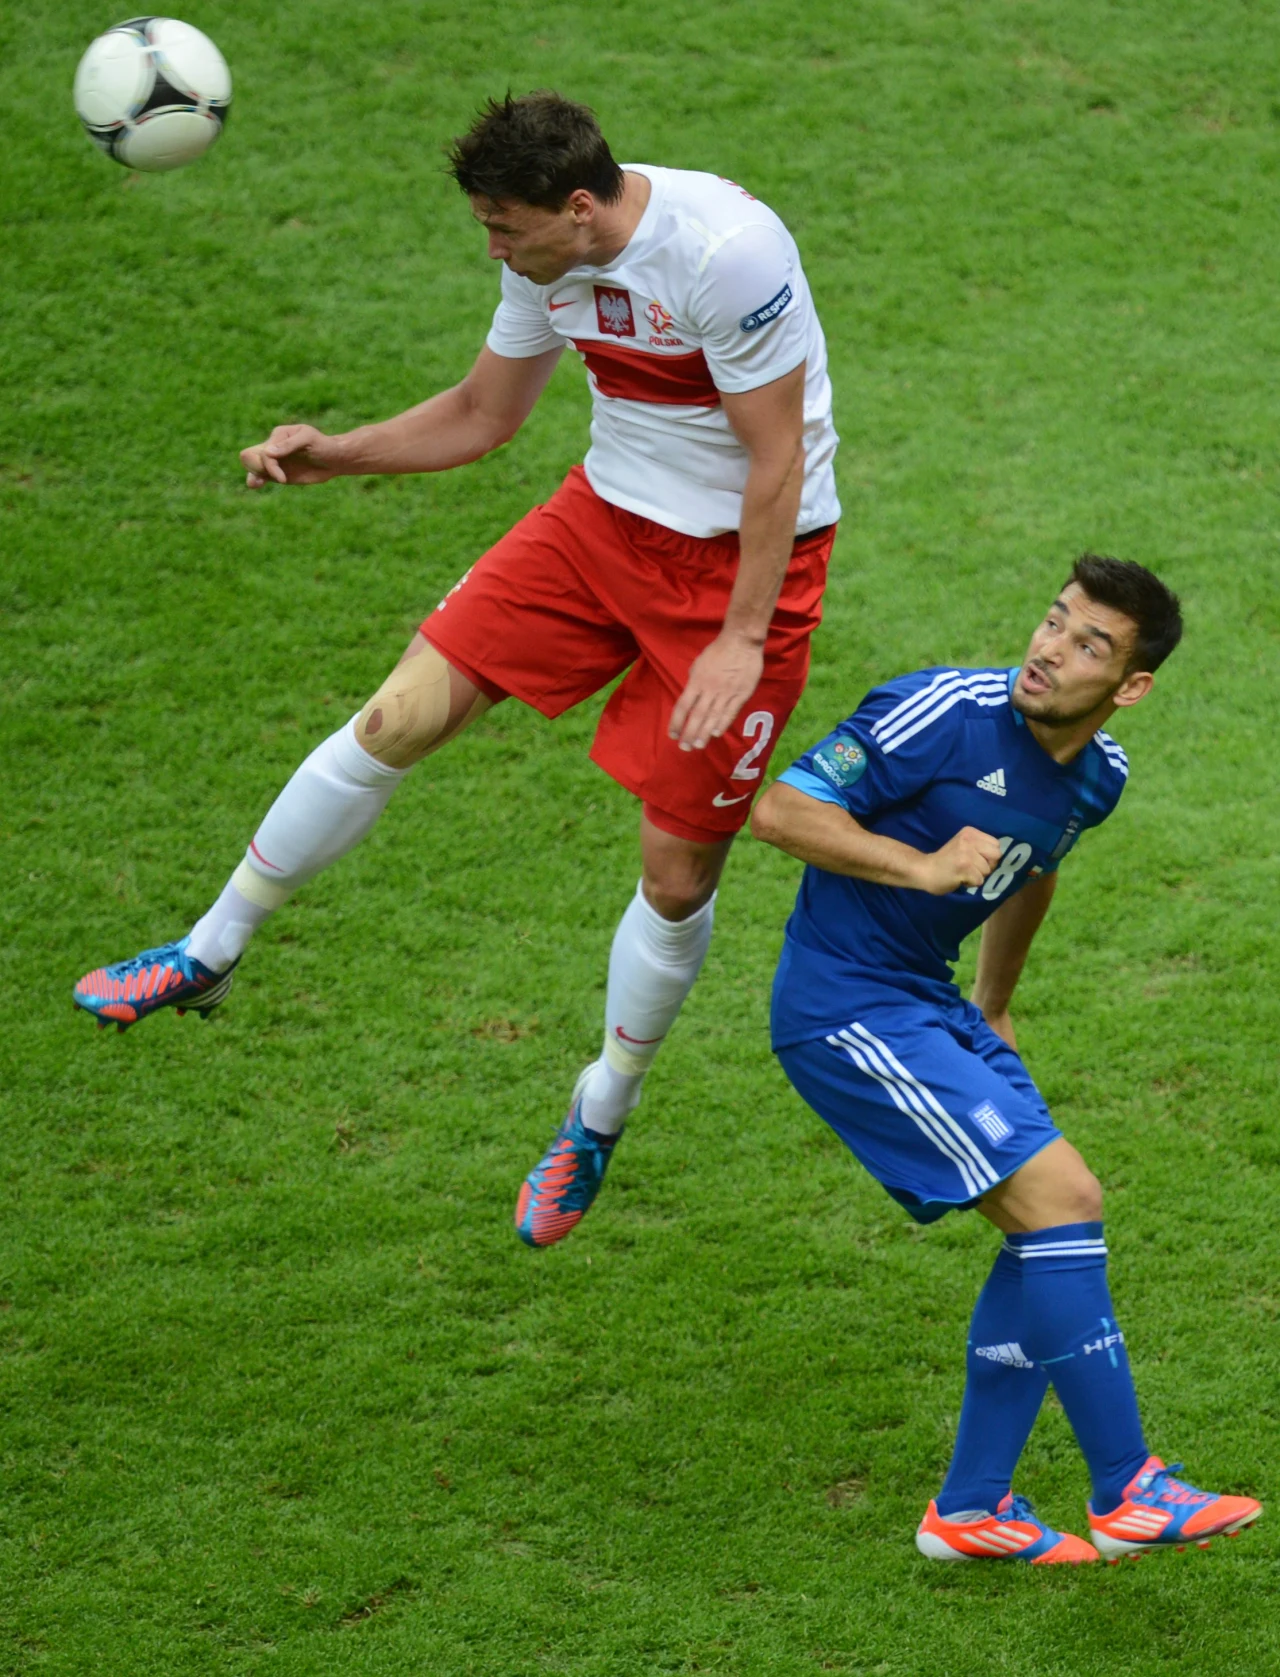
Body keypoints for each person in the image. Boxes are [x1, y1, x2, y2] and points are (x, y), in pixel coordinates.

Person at [72, 91, 840, 1248]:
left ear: (577, 209)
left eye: (502, 228)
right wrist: (334, 456)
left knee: (677, 878)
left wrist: (737, 638)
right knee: (393, 718)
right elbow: (485, 412)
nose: (491, 248)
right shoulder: (546, 262)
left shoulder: (728, 256)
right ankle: (207, 951)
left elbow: (773, 461)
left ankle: (597, 1116)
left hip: (742, 568)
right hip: (599, 527)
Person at [751, 556, 1262, 1563]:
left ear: (1129, 689)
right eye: (1052, 621)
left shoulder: (1097, 777)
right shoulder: (938, 710)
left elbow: (1034, 869)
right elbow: (777, 810)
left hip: (930, 1006)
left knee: (1044, 1228)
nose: (1047, 649)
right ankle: (1127, 1490)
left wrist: (993, 1001)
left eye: (1087, 645)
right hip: (842, 1006)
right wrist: (918, 864)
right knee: (1063, 1197)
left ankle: (971, 1509)